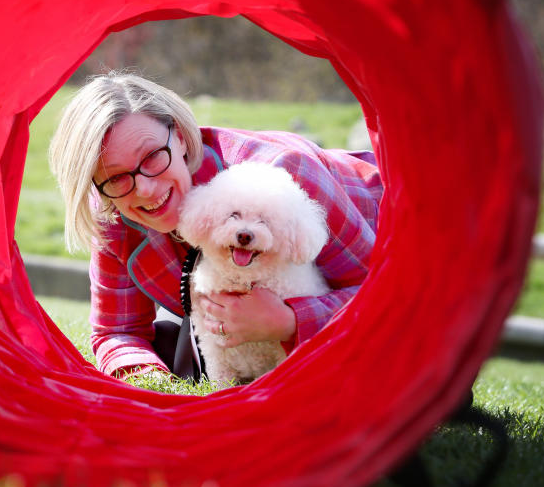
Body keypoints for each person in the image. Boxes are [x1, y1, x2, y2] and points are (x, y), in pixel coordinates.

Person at [48, 72, 383, 380]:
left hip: (401, 235)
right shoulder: (114, 210)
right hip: (240, 340)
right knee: (176, 343)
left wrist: (289, 321)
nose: (144, 189)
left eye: (151, 156)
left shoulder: (285, 179)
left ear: (179, 137)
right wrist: (149, 379)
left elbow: (384, 294)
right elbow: (116, 331)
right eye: (116, 177)